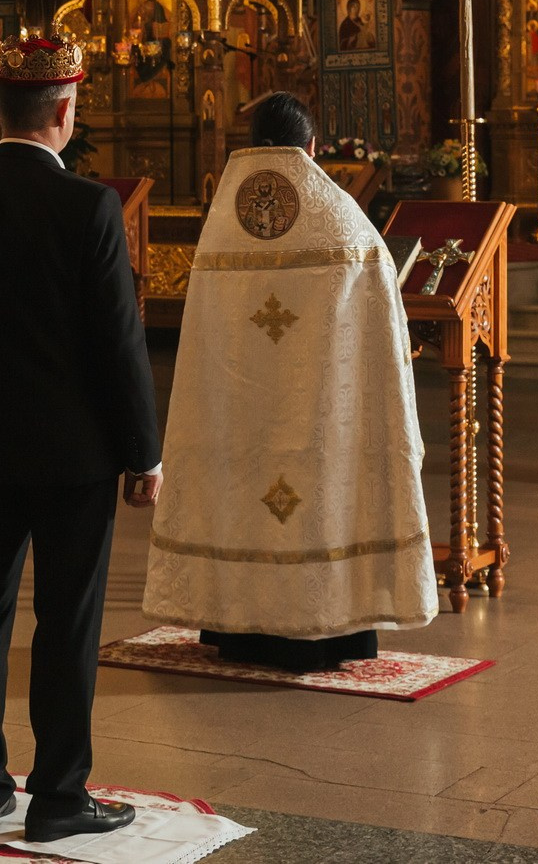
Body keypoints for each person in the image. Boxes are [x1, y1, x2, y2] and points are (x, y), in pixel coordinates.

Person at [0, 32, 162, 845]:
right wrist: (142, 450)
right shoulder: (89, 207)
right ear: (66, 108)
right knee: (67, 621)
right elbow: (119, 341)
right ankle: (58, 797)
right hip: (74, 451)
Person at [144, 92, 439, 671]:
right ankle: (325, 626)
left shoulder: (223, 225)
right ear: (311, 147)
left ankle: (240, 626)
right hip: (320, 409)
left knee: (247, 490)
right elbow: (381, 314)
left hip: (242, 408)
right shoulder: (341, 220)